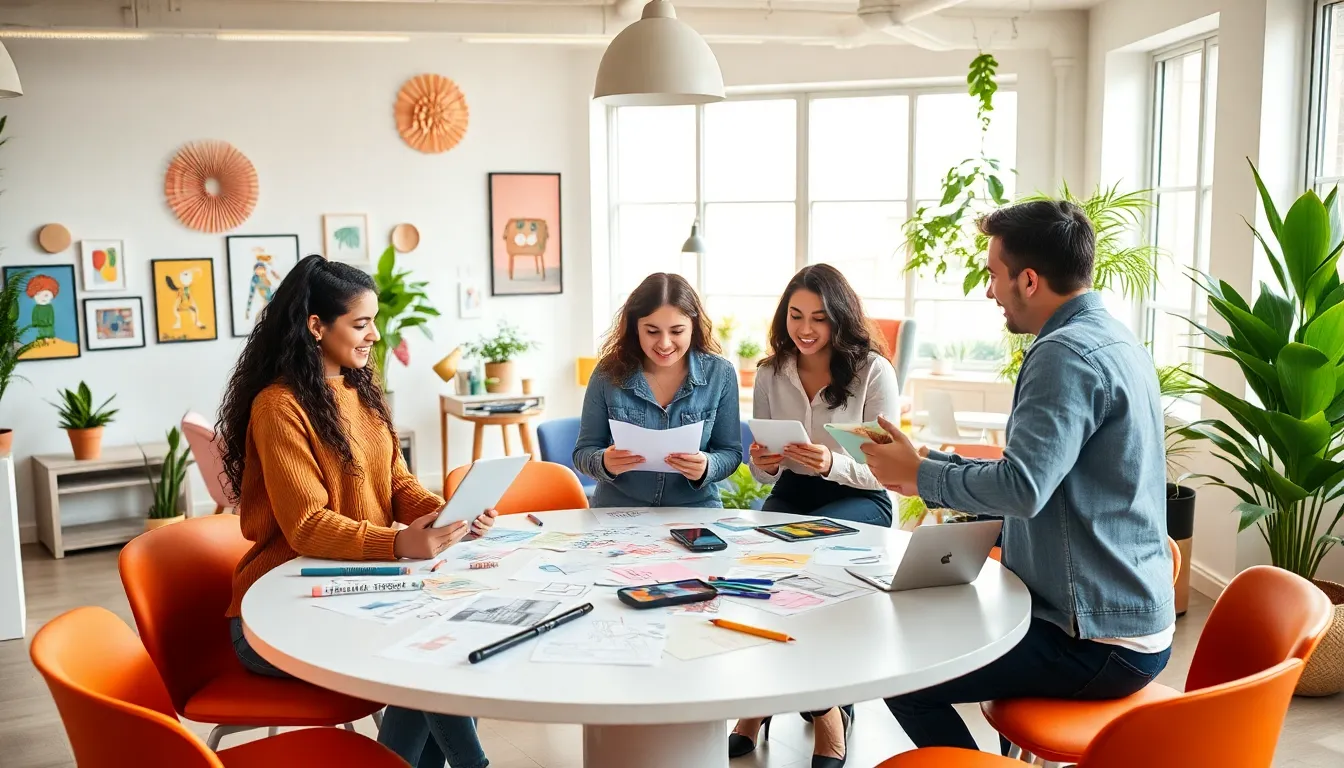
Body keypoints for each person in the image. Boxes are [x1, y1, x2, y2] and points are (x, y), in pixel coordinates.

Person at [860, 200, 1174, 753]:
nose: (989, 291)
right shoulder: (1117, 339)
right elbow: (1035, 475)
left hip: (1096, 642)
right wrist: (924, 467)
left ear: (1028, 280)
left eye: (992, 275)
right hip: (1127, 619)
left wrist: (923, 475)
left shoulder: (1064, 355)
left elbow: (1022, 491)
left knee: (906, 679)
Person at [216, 254, 496, 768]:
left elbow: (397, 483)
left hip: (354, 588)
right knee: (424, 658)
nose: (373, 336)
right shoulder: (279, 407)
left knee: (443, 646)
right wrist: (397, 543)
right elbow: (305, 527)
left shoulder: (361, 390)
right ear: (316, 326)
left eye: (374, 322)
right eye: (361, 323)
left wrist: (450, 513)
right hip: (279, 614)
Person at [727, 263, 899, 767]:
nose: (805, 329)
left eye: (819, 319)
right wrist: (762, 463)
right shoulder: (769, 372)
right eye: (796, 316)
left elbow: (887, 472)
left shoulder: (872, 371)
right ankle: (759, 704)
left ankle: (826, 717)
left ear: (840, 320)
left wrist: (833, 463)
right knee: (757, 576)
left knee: (814, 570)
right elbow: (765, 475)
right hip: (794, 492)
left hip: (859, 496)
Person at [573, 272, 741, 508]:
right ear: (636, 328)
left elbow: (730, 452)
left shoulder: (720, 373)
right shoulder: (608, 372)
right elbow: (583, 452)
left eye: (676, 331)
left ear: (693, 327)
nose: (664, 343)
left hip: (694, 508)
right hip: (619, 509)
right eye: (652, 331)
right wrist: (604, 463)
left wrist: (707, 466)